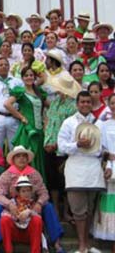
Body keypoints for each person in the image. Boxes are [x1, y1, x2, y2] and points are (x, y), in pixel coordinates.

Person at [58, 90, 111, 253]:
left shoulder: (99, 123)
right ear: (77, 103)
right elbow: (61, 146)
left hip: (93, 168)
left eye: (88, 102)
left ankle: (87, 244)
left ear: (91, 103)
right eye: (82, 102)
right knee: (78, 210)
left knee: (89, 208)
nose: (85, 104)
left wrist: (108, 165)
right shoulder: (68, 122)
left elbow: (105, 149)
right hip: (75, 167)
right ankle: (81, 245)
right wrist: (77, 145)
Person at [0, 146, 64, 253]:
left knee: (48, 206)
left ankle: (56, 242)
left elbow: (44, 192)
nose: (21, 159)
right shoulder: (6, 175)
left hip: (32, 205)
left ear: (27, 159)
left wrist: (39, 203)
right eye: (18, 156)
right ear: (13, 159)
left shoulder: (34, 174)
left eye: (24, 156)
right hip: (12, 206)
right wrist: (9, 204)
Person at [43, 73, 79, 218]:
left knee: (64, 178)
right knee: (52, 179)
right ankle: (57, 208)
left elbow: (70, 131)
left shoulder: (72, 106)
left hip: (62, 148)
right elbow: (49, 123)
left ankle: (66, 211)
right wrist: (47, 141)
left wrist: (57, 144)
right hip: (49, 145)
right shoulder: (55, 102)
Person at [4, 67, 48, 180]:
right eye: (26, 75)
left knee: (38, 156)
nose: (29, 77)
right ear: (22, 78)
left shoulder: (39, 92)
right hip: (27, 129)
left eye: (31, 75)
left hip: (39, 129)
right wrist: (21, 117)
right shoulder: (21, 92)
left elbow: (50, 106)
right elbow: (7, 104)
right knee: (27, 156)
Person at [93, 93, 115, 250]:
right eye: (113, 103)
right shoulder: (102, 125)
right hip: (109, 166)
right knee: (109, 199)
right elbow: (98, 148)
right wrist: (107, 159)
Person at [0, 176, 44, 253]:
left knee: (37, 220)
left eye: (28, 191)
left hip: (28, 234)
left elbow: (39, 217)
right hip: (15, 232)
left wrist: (29, 212)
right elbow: (4, 214)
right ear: (19, 192)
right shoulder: (12, 203)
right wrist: (16, 216)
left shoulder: (34, 203)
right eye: (23, 191)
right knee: (4, 220)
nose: (26, 193)